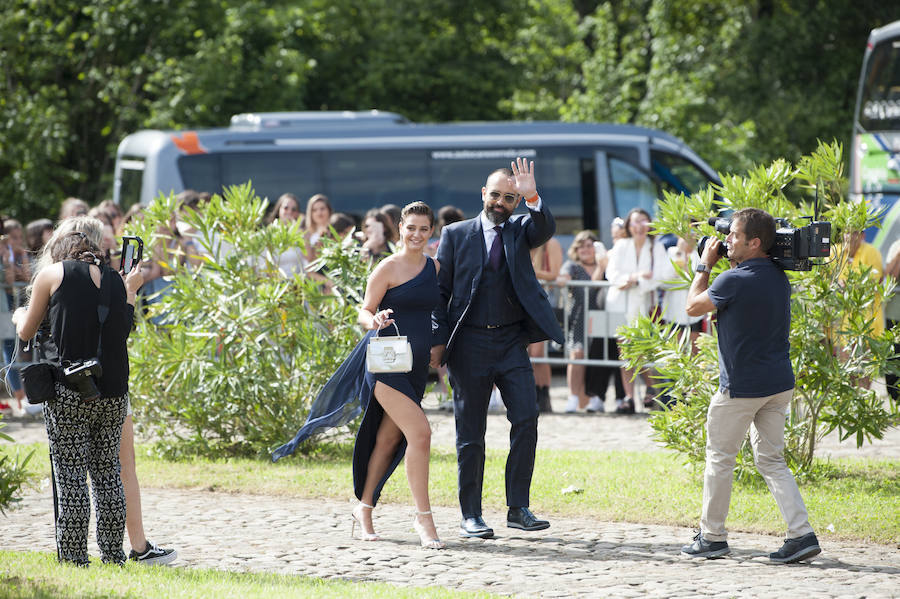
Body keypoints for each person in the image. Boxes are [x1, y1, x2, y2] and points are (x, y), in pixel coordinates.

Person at [274, 202, 444, 549]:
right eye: (410, 227)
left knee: (386, 439)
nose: (416, 234)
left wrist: (438, 351)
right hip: (386, 364)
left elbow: (436, 314)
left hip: (416, 367)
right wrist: (376, 320)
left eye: (423, 229)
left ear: (431, 232)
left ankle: (363, 508)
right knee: (421, 434)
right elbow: (364, 311)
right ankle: (423, 518)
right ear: (400, 228)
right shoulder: (388, 266)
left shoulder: (435, 267)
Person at [431, 158, 564, 539]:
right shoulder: (456, 234)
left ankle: (517, 507)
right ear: (483, 195)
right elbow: (441, 293)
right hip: (468, 343)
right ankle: (470, 513)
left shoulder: (521, 228)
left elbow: (545, 227)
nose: (501, 202)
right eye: (496, 195)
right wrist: (439, 342)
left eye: (509, 197)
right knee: (470, 433)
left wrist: (532, 195)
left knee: (526, 418)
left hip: (510, 342)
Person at [681, 208, 820, 564]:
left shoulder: (733, 280)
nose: (725, 240)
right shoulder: (777, 276)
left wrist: (703, 265)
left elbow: (692, 306)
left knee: (719, 459)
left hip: (741, 389)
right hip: (778, 384)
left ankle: (712, 537)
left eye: (733, 235)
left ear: (754, 242)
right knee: (772, 461)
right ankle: (801, 534)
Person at [12, 216, 142, 566]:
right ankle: (114, 555)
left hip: (70, 389)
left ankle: (73, 557)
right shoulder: (117, 280)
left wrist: (17, 315)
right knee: (107, 473)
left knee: (70, 474)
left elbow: (26, 331)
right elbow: (122, 331)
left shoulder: (53, 275)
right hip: (114, 390)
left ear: (59, 250)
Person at [605, 208, 666, 413]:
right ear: (629, 226)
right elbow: (612, 273)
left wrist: (636, 280)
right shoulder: (622, 245)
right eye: (635, 222)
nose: (639, 226)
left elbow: (659, 275)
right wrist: (634, 277)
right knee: (626, 354)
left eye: (643, 221)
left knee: (645, 352)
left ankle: (650, 391)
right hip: (620, 305)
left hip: (644, 305)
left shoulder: (655, 246)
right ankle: (629, 397)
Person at [557, 231, 607, 413]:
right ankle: (572, 396)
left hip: (601, 319)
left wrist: (601, 268)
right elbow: (565, 276)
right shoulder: (573, 266)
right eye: (582, 246)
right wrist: (562, 278)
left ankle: (593, 397)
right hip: (579, 320)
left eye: (589, 246)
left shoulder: (606, 267)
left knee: (597, 359)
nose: (585, 249)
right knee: (577, 355)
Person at [529, 235, 563, 412]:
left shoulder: (551, 243)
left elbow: (555, 274)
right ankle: (537, 394)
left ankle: (543, 395)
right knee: (531, 354)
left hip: (544, 301)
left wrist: (527, 270)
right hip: (526, 301)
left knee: (538, 353)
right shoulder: (524, 241)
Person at [303, 194, 333, 263]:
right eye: (314, 210)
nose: (319, 213)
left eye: (322, 209)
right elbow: (308, 259)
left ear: (329, 210)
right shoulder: (306, 233)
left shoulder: (335, 230)